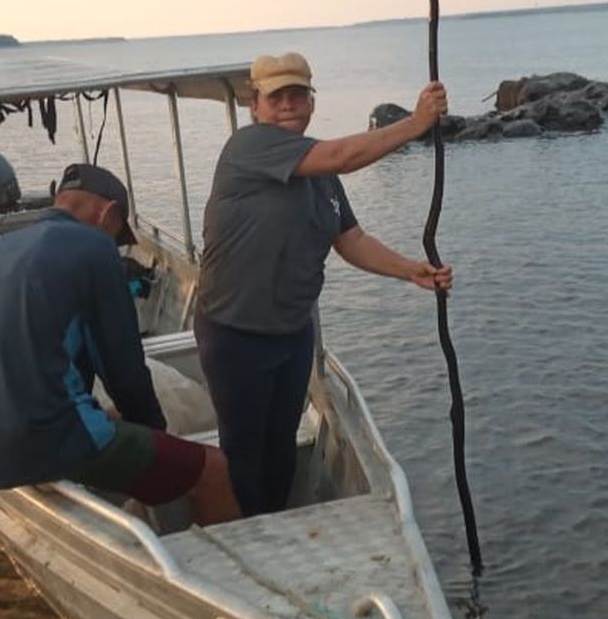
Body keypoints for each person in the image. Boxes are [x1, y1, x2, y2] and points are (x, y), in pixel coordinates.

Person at [195, 52, 455, 517]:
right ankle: (250, 528)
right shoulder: (248, 147)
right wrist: (416, 124)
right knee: (245, 449)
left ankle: (276, 519)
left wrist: (409, 269)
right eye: (276, 97)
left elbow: (351, 239)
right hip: (235, 332)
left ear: (311, 102)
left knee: (281, 443)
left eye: (298, 95)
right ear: (255, 106)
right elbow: (342, 155)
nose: (288, 105)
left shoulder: (321, 177)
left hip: (292, 332)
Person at [0, 162, 241, 525]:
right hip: (38, 440)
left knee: (111, 419)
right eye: (118, 235)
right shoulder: (95, 248)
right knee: (213, 468)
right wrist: (157, 437)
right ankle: (233, 555)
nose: (115, 245)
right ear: (108, 214)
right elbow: (123, 370)